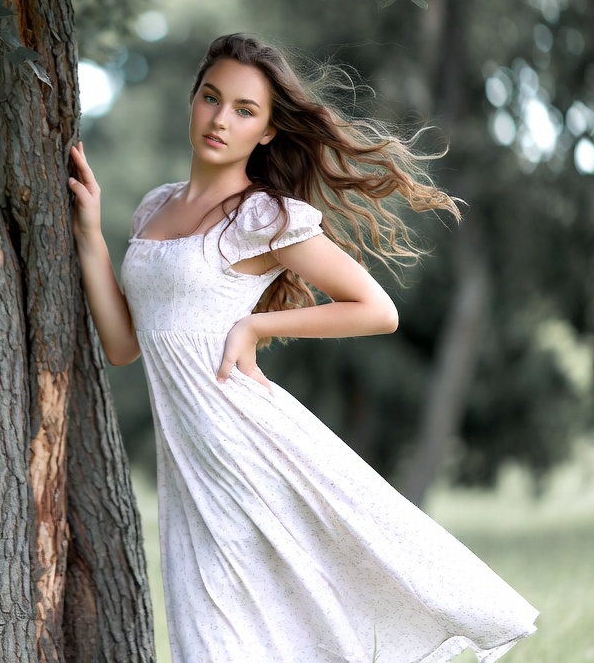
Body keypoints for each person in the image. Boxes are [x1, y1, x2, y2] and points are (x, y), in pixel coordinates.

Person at [68, 33, 538, 663]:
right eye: (211, 98)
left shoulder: (263, 217)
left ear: (266, 131)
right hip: (189, 464)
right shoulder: (154, 209)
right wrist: (91, 236)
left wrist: (256, 327)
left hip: (245, 445)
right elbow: (125, 345)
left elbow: (377, 310)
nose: (220, 119)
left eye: (244, 109)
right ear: (192, 100)